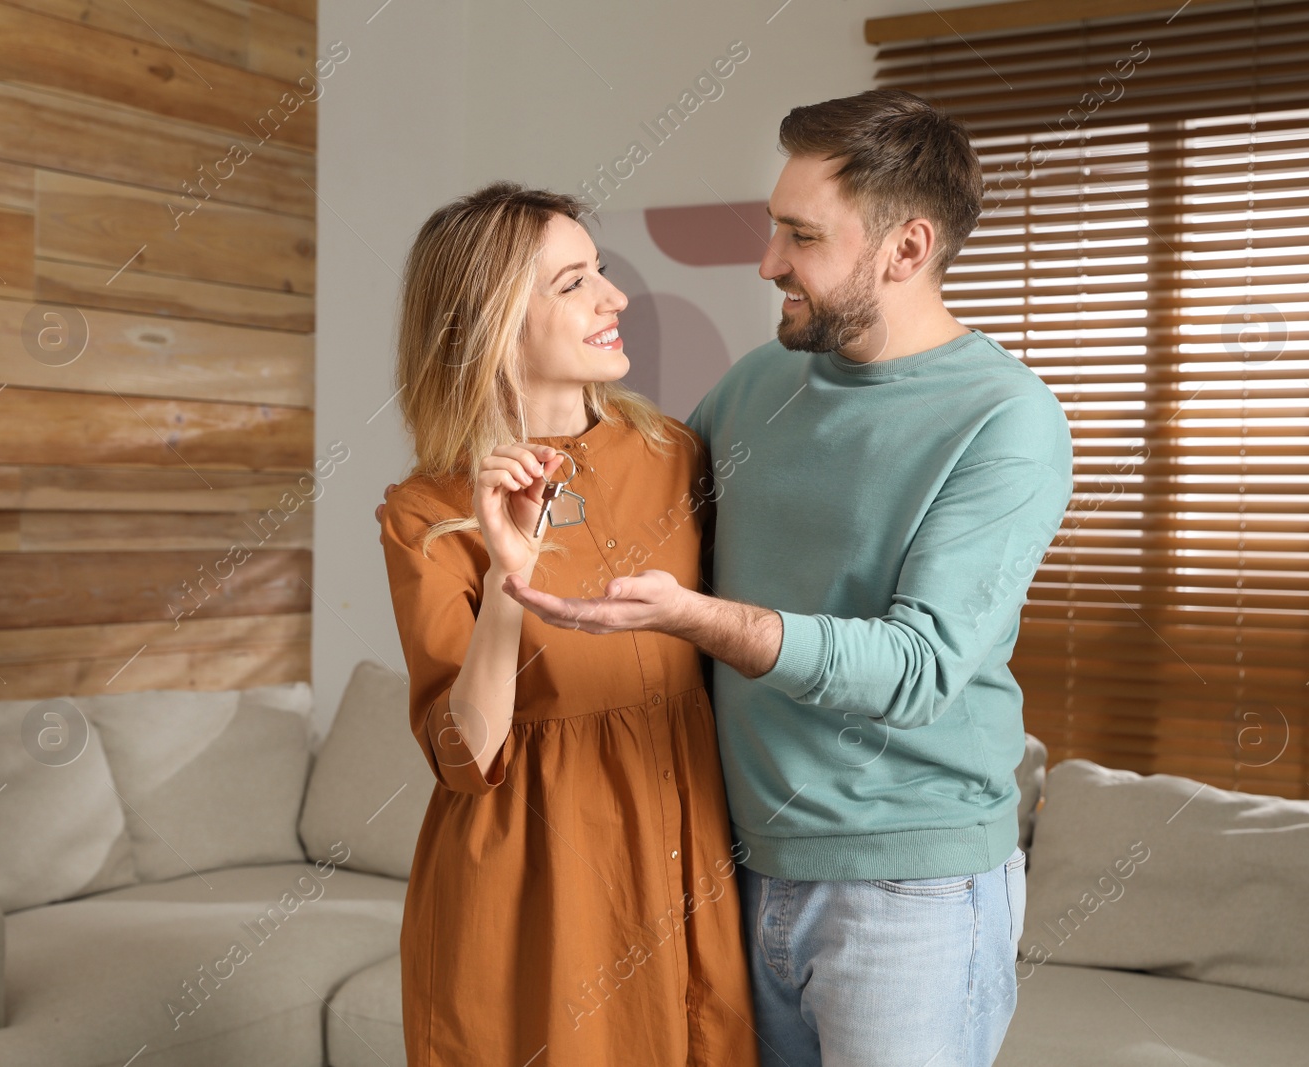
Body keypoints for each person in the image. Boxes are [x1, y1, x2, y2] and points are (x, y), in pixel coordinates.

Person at [502, 89, 1074, 1067]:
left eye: (799, 236)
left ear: (905, 250)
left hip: (911, 891)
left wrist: (702, 618)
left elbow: (917, 666)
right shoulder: (763, 381)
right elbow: (638, 495)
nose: (767, 263)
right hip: (736, 867)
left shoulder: (1006, 421)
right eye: (773, 228)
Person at [375, 182, 760, 1067]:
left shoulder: (679, 458)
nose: (614, 297)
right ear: (490, 326)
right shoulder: (425, 511)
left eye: (603, 272)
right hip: (529, 882)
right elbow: (464, 756)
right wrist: (513, 574)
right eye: (572, 283)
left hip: (682, 847)